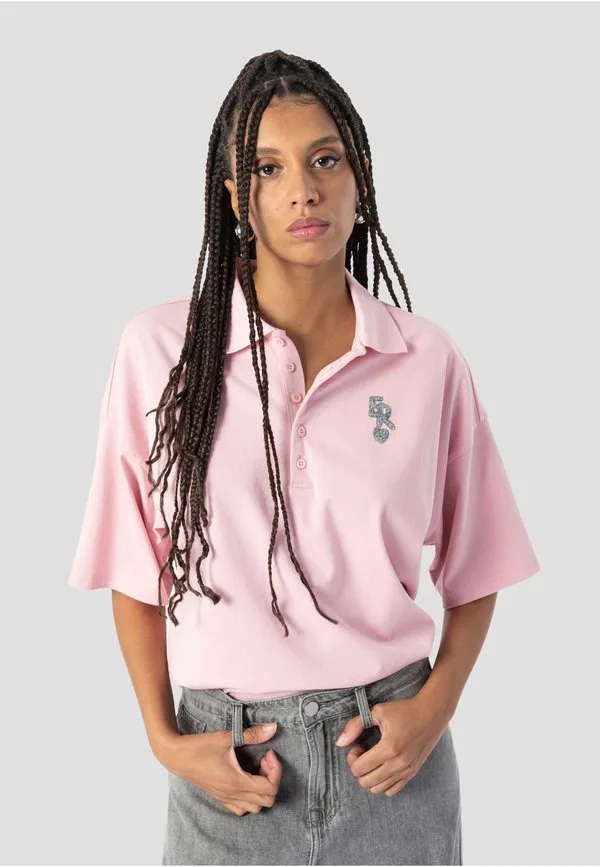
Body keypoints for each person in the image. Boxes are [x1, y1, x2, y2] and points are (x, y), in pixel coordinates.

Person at [67, 49, 541, 865]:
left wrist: (434, 708)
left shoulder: (425, 360)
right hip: (229, 771)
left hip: (392, 764)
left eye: (326, 159)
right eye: (268, 167)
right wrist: (164, 738)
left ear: (361, 178)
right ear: (234, 197)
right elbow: (133, 568)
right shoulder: (160, 352)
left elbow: (481, 562)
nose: (302, 190)